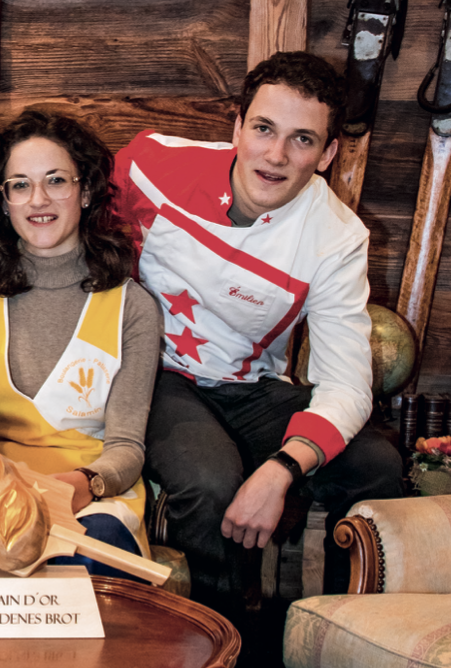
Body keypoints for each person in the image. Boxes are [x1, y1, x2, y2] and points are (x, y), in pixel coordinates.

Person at [108, 51, 402, 612]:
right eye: (264, 128)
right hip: (152, 372)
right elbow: (66, 205)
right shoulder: (151, 163)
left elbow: (346, 385)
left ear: (328, 154)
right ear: (237, 125)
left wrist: (283, 467)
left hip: (247, 386)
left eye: (303, 140)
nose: (275, 156)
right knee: (210, 481)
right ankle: (214, 636)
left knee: (376, 465)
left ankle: (335, 627)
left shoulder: (337, 239)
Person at [0, 110, 164, 579]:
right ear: (3, 199)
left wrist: (85, 484)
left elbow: (127, 447)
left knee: (92, 550)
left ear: (87, 191)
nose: (38, 200)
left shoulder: (131, 307)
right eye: (19, 185)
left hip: (92, 497)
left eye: (56, 180)